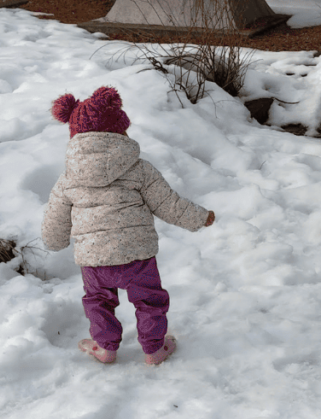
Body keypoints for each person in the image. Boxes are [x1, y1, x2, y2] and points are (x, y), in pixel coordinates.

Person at [41, 86, 215, 366]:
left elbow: (56, 216)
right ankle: (154, 349)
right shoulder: (139, 169)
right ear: (120, 131)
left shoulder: (68, 179)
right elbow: (168, 203)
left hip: (94, 260)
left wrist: (54, 241)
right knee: (149, 301)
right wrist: (199, 217)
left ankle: (106, 347)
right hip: (138, 257)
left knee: (98, 301)